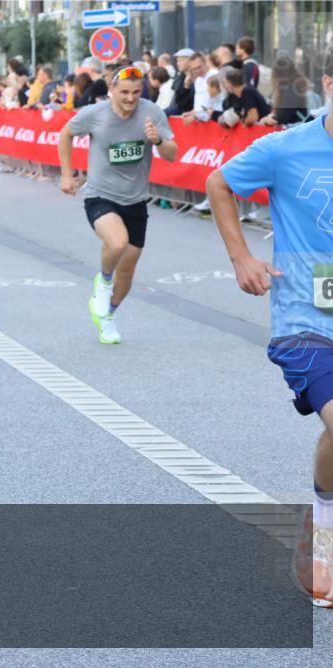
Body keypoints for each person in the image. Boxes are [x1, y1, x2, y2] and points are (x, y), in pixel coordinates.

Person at [205, 45, 333, 608]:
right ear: (329, 82)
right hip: (306, 321)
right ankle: (326, 541)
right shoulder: (287, 148)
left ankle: (322, 518)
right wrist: (241, 258)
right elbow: (218, 184)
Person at [58, 65, 179, 344]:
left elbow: (172, 154)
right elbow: (65, 134)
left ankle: (108, 315)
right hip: (100, 195)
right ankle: (103, 282)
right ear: (111, 90)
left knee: (128, 271)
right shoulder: (95, 114)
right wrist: (67, 174)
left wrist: (157, 140)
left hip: (136, 200)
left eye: (136, 92)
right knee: (117, 243)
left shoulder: (151, 113)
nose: (130, 98)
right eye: (124, 92)